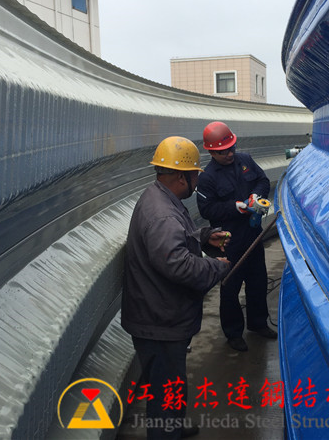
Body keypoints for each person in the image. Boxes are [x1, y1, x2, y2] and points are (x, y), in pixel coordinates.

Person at [121, 136, 231, 439]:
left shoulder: (159, 197)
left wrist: (204, 237)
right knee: (164, 392)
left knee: (171, 386)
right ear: (182, 177)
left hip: (160, 315)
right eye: (195, 174)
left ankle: (173, 426)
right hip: (159, 321)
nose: (198, 180)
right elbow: (177, 264)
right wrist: (216, 266)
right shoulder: (163, 215)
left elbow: (175, 240)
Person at [196, 121, 277, 352]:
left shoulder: (245, 161)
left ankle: (258, 323)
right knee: (230, 287)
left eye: (231, 148)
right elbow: (207, 210)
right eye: (224, 152)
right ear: (212, 152)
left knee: (258, 281)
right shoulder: (207, 178)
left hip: (252, 233)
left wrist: (255, 196)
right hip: (228, 240)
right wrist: (236, 207)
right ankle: (233, 332)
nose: (230, 154)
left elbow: (262, 181)